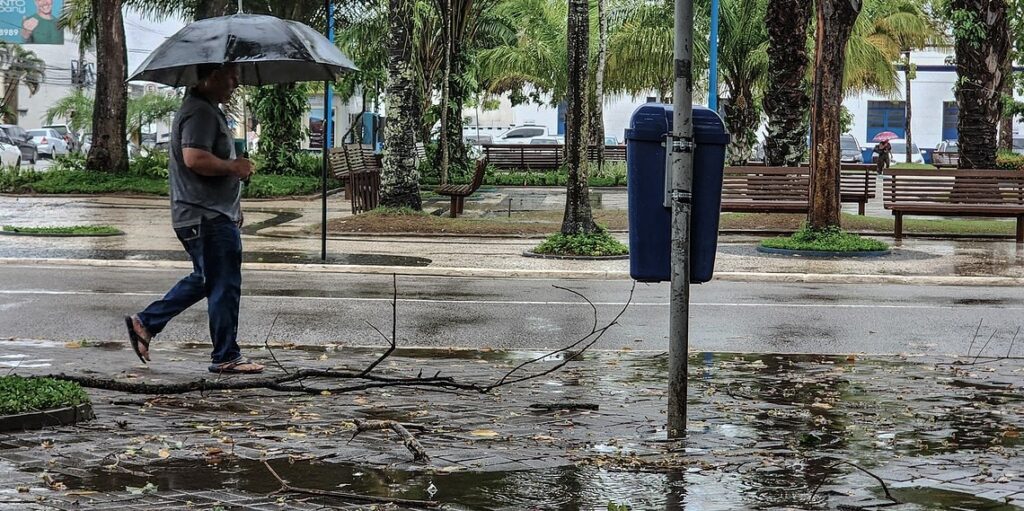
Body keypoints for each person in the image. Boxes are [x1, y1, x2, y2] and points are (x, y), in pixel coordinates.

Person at [125, 63, 265, 374]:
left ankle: (145, 323)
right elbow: (194, 158)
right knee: (224, 284)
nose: (235, 81)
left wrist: (233, 204)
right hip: (206, 216)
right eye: (230, 74)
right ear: (212, 76)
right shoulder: (200, 112)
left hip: (209, 213)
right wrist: (233, 167)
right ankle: (226, 355)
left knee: (207, 278)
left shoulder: (206, 109)